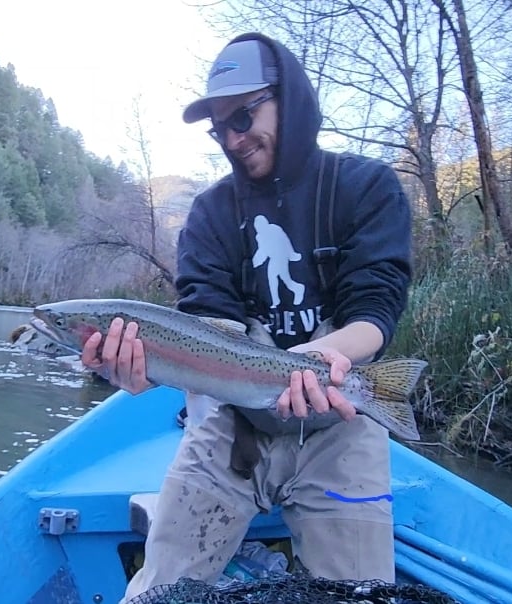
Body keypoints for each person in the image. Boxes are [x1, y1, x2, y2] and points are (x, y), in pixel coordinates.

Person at [81, 32, 413, 601]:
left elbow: (375, 310)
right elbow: (203, 325)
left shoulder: (366, 188)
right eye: (219, 128)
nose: (233, 139)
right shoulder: (209, 214)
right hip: (233, 426)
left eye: (243, 116)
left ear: (290, 98)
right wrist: (142, 372)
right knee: (157, 592)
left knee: (361, 595)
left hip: (341, 423)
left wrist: (322, 360)